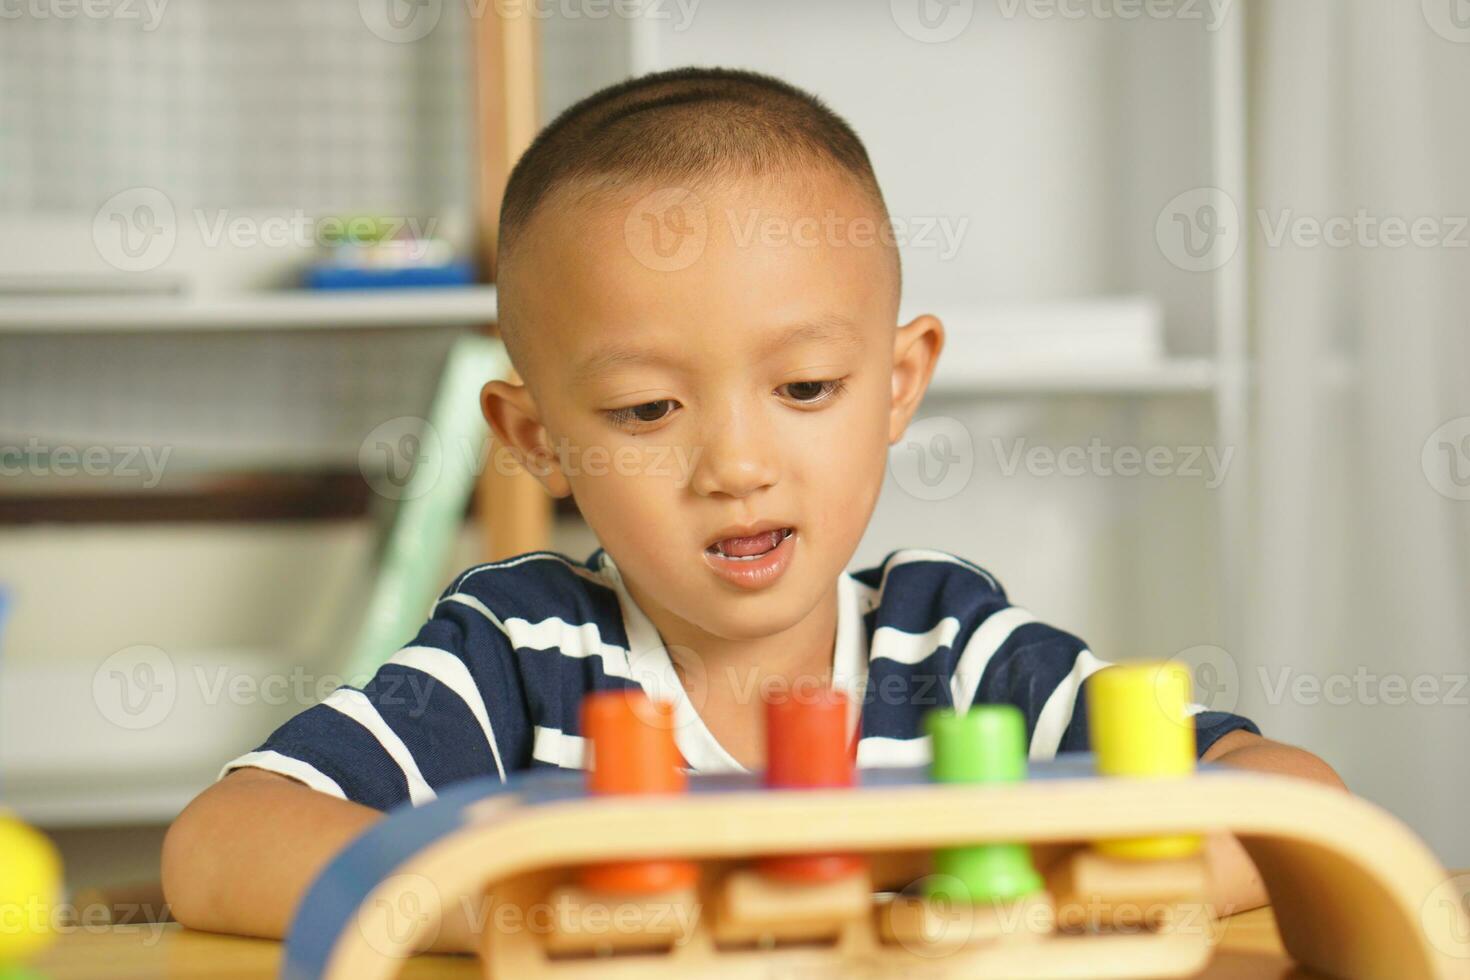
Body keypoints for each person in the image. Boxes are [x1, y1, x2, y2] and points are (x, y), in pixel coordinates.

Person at [162, 66, 1345, 953]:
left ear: (896, 385)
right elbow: (218, 845)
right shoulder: (522, 651)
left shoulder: (952, 649)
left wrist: (1050, 898)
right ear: (535, 440)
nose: (737, 462)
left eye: (805, 388)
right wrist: (506, 899)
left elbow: (1293, 799)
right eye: (644, 409)